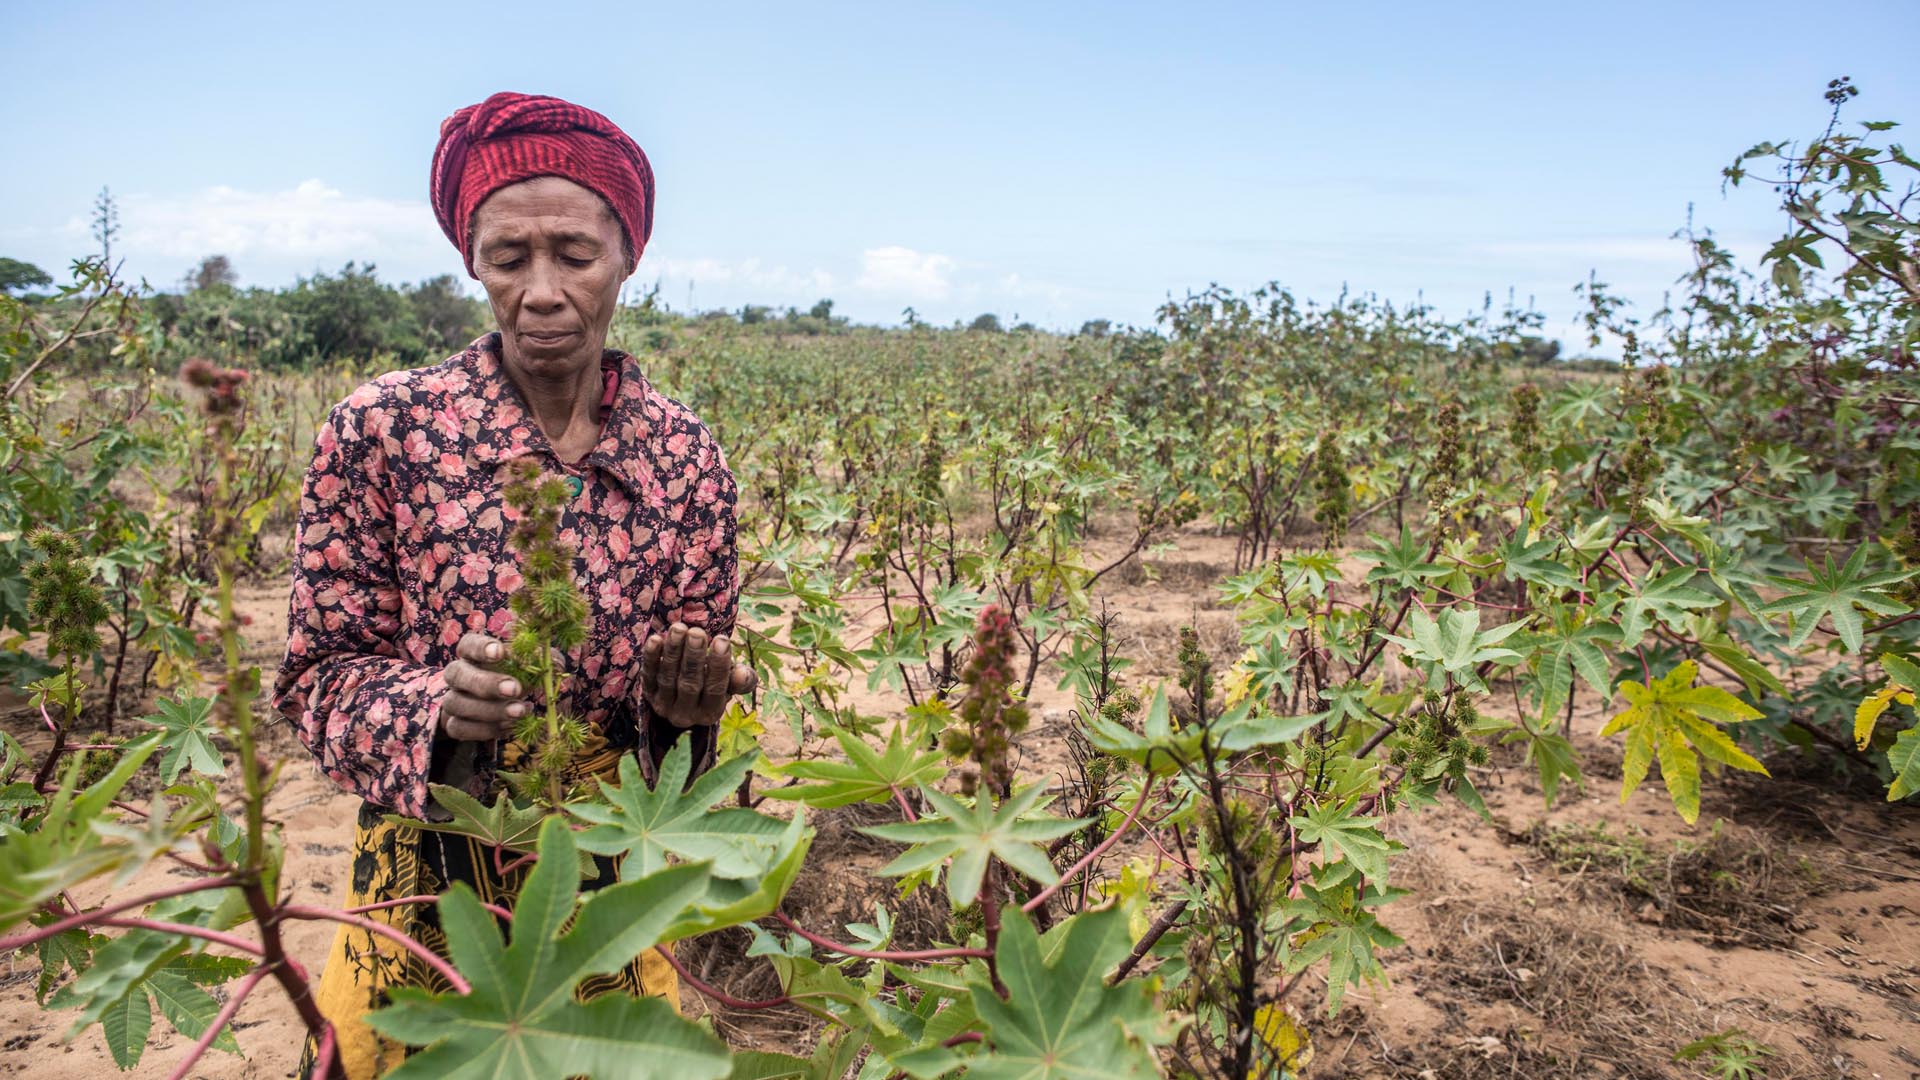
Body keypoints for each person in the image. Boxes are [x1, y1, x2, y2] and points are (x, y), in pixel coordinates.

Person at [271, 91, 754, 1079]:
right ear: (470, 262)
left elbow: (687, 736)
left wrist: (688, 709)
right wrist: (435, 711)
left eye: (574, 255)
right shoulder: (382, 431)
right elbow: (317, 678)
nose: (541, 290)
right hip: (427, 868)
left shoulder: (684, 456)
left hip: (606, 869)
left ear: (628, 256)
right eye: (508, 257)